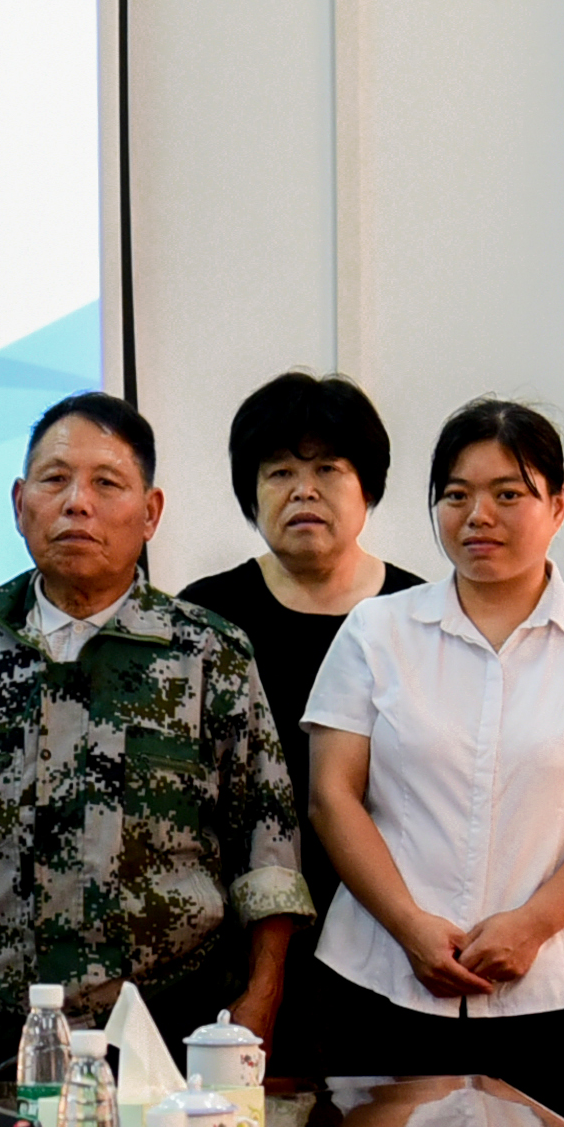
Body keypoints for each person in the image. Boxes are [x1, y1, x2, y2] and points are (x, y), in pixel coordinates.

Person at [0, 391, 312, 1088]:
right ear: (20, 503)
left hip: (169, 1034)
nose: (77, 503)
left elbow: (267, 847)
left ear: (151, 512)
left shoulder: (208, 652)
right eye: (55, 479)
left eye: (107, 483)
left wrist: (263, 996)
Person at [300, 400, 564, 1127]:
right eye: (456, 494)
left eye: (508, 493)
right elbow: (331, 795)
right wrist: (409, 925)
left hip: (550, 998)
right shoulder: (377, 629)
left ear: (559, 504)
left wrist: (533, 925)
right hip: (383, 984)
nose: (479, 516)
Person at [176, 372, 428, 1087]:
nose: (303, 491)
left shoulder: (420, 614)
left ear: (368, 488)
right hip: (236, 943)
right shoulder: (204, 616)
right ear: (250, 491)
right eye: (280, 471)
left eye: (328, 470)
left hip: (390, 935)